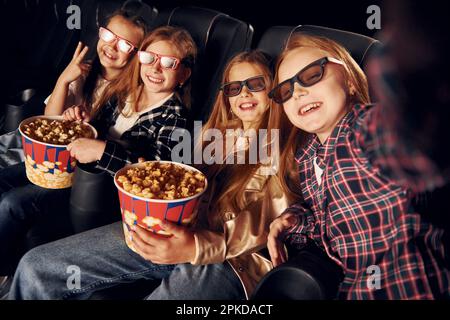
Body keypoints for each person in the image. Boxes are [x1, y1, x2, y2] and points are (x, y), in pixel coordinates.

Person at [8, 50, 290, 300]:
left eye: (256, 85)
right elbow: (178, 182)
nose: (244, 94)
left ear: (274, 90)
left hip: (230, 260)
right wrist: (150, 177)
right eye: (234, 88)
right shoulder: (212, 136)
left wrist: (197, 246)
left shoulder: (284, 147)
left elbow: (269, 219)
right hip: (171, 230)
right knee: (37, 266)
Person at [0, 25, 193, 280]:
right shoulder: (124, 92)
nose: (155, 68)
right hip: (75, 170)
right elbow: (98, 129)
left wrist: (102, 150)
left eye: (169, 63)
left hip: (99, 195)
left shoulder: (175, 118)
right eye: (149, 58)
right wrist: (84, 122)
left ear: (184, 75)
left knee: (14, 204)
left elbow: (159, 175)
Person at [265, 33, 450, 299]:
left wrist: (403, 54)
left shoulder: (366, 129)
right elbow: (331, 226)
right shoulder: (307, 158)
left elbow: (414, 133)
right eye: (286, 90)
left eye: (311, 75)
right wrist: (293, 220)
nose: (298, 92)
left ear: (350, 81)